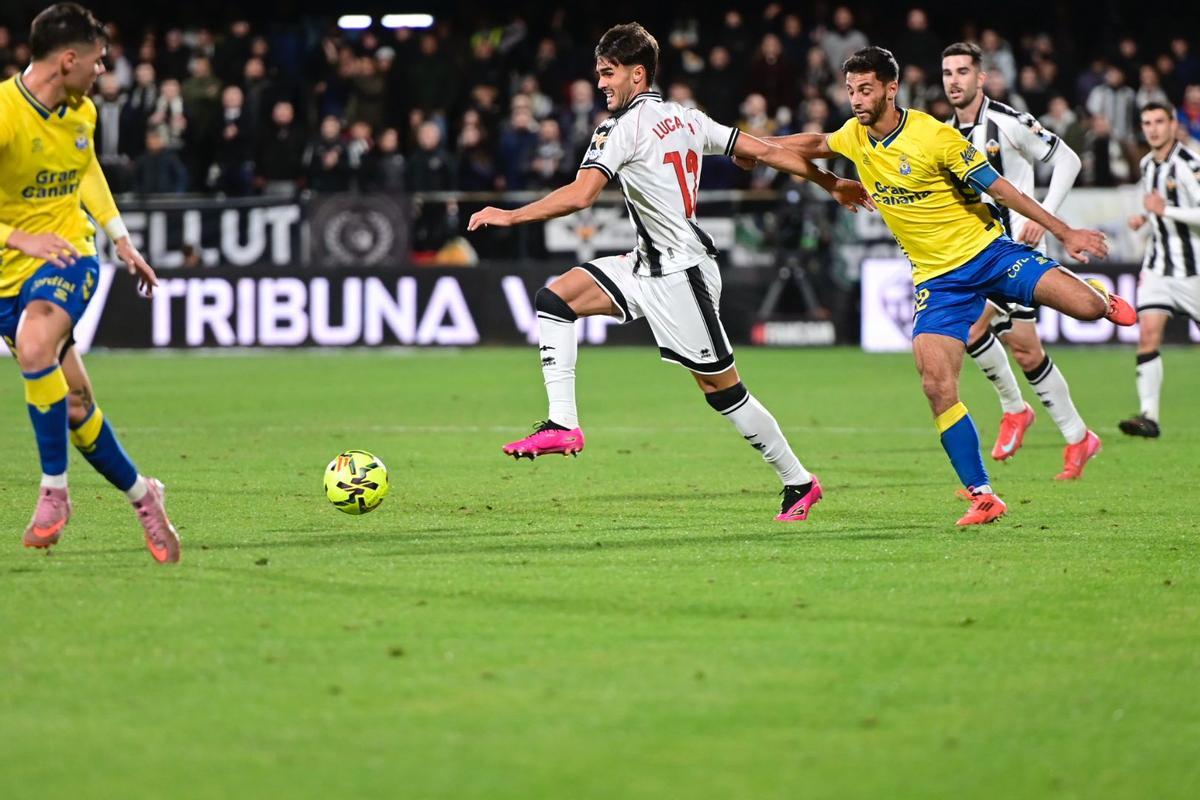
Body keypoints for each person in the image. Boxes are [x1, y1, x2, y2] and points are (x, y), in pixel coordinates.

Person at [467, 22, 873, 521]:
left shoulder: (620, 129)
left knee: (723, 392)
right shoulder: (687, 117)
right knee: (557, 300)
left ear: (637, 74)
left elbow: (581, 195)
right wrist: (831, 182)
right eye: (598, 74)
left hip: (683, 273)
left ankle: (799, 481)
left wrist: (509, 214)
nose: (601, 84)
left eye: (607, 73)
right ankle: (562, 423)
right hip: (646, 264)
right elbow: (765, 151)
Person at [746, 46, 1135, 526]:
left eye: (865, 89)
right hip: (938, 281)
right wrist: (755, 144)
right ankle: (983, 494)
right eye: (850, 90)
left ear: (891, 89)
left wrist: (1065, 231)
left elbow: (1000, 188)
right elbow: (813, 142)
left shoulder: (934, 136)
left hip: (990, 254)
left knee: (1086, 310)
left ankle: (1100, 298)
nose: (856, 100)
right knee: (936, 384)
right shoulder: (855, 135)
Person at [0, 3, 180, 562]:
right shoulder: (5, 114)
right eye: (98, 62)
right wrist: (18, 238)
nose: (103, 72)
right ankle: (143, 496)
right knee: (74, 406)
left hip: (70, 257)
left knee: (34, 348)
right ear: (68, 59)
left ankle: (54, 493)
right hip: (10, 272)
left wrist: (120, 238)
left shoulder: (81, 113)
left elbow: (86, 172)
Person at [941, 42, 1100, 480]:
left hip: (1019, 251)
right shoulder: (944, 133)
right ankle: (1067, 432)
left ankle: (1030, 416)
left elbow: (1068, 158)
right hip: (975, 253)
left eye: (962, 72)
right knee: (1007, 344)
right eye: (947, 73)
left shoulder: (1008, 122)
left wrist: (1047, 219)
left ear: (981, 78)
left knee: (1010, 344)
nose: (954, 80)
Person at [1121, 102, 1200, 438]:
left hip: (1193, 270)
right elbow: (1158, 210)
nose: (1152, 129)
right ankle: (1149, 417)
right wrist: (1147, 219)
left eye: (1158, 122)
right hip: (1157, 268)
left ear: (1172, 124)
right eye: (1146, 123)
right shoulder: (1145, 164)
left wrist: (1165, 210)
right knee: (1148, 333)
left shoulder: (1189, 164)